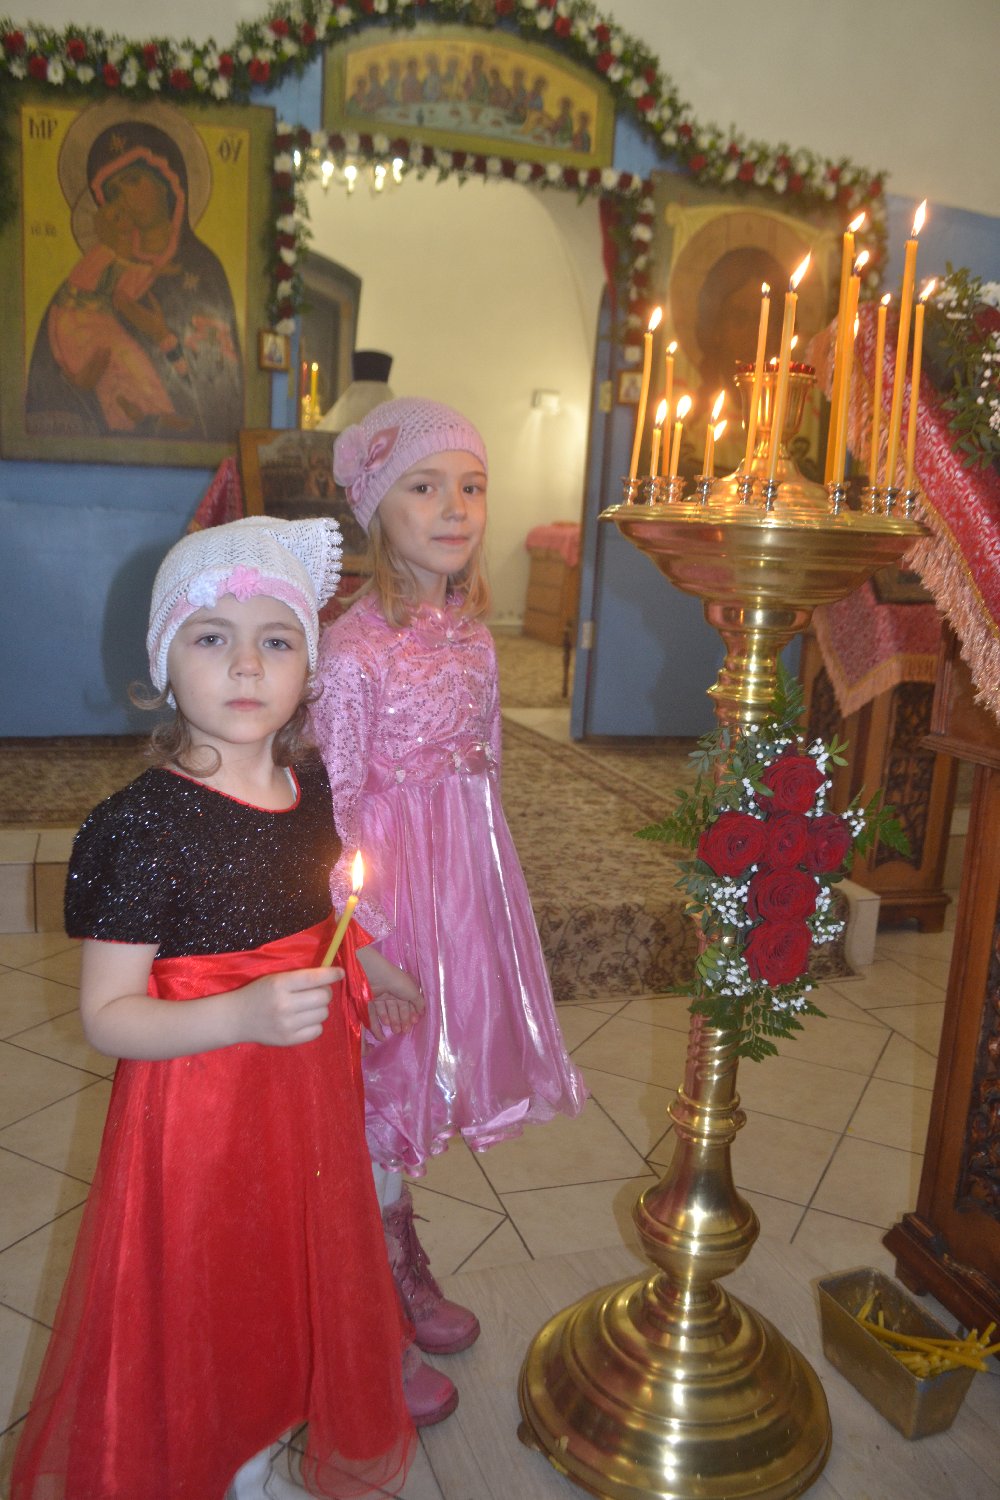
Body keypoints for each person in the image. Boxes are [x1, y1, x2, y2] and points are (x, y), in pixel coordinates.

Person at [10, 516, 429, 1500]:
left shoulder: (309, 788)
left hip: (304, 1097)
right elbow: (108, 1015)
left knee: (284, 1274)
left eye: (276, 639)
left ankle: (262, 1434)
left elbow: (317, 906)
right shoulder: (141, 827)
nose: (246, 664)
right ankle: (218, 1460)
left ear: (307, 667)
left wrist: (370, 962)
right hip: (198, 1113)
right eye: (212, 637)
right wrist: (239, 1016)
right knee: (207, 1284)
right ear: (164, 663)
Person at [313, 399, 588, 1404]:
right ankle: (365, 1314)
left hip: (459, 892)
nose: (454, 507)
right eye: (425, 487)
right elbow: (331, 809)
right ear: (376, 508)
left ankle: (398, 1259)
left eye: (471, 486)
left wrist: (489, 898)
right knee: (377, 1096)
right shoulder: (353, 651)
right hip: (388, 903)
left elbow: (487, 771)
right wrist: (364, 943)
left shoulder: (473, 637)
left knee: (418, 1090)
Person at [27, 118, 244, 444]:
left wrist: (162, 336)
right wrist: (77, 385)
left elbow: (220, 391)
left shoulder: (203, 272)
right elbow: (45, 382)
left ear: (167, 182)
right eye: (114, 191)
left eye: (132, 180)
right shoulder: (89, 279)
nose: (124, 197)